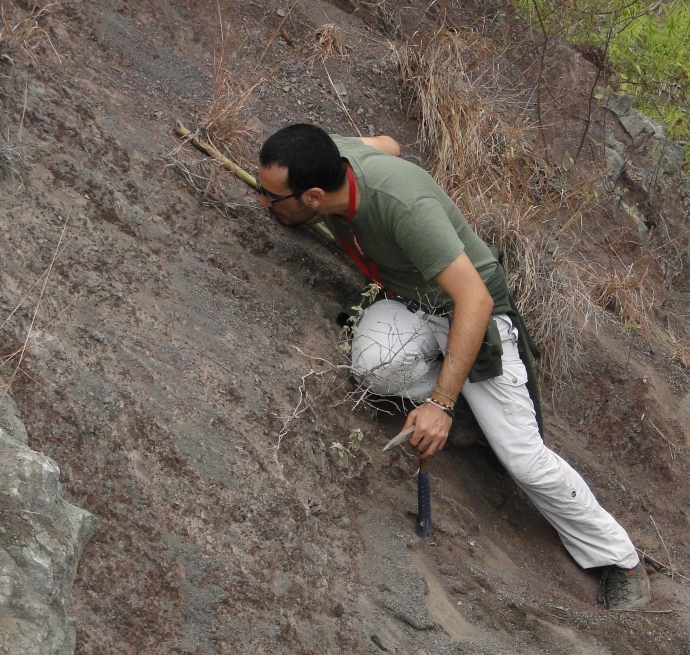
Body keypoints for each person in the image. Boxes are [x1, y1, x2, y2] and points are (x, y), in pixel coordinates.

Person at [256, 123, 650, 610]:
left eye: (271, 198)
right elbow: (389, 146)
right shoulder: (338, 158)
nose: (263, 204)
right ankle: (465, 401)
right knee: (376, 366)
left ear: (313, 197)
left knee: (522, 457)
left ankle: (620, 558)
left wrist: (440, 403)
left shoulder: (404, 209)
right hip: (412, 304)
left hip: (474, 318)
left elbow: (475, 298)